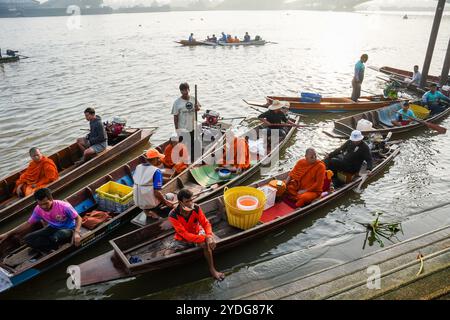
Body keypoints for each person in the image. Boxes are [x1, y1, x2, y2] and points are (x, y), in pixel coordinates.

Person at [0, 188, 82, 253]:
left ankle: (52, 245)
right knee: (27, 239)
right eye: (40, 204)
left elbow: (78, 218)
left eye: (46, 203)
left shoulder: (64, 206)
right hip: (53, 228)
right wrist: (8, 234)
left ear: (51, 199)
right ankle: (52, 248)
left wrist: (77, 233)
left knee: (57, 236)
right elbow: (28, 223)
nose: (43, 207)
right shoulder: (38, 209)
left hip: (69, 229)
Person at [168, 188, 224, 281]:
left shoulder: (196, 208)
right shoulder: (173, 215)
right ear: (180, 202)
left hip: (197, 232)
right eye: (187, 201)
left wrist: (209, 236)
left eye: (191, 200)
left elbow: (205, 223)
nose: (190, 203)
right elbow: (184, 234)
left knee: (206, 245)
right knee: (170, 252)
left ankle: (212, 269)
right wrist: (205, 237)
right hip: (182, 237)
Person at [133, 149, 175, 220]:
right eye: (158, 158)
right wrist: (165, 201)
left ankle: (146, 211)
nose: (159, 160)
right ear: (155, 159)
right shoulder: (156, 171)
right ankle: (157, 212)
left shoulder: (138, 167)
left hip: (138, 202)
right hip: (151, 204)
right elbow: (156, 192)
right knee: (171, 196)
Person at [172, 82, 201, 163]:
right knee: (183, 146)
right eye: (183, 91)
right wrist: (177, 129)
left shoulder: (193, 98)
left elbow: (198, 108)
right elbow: (175, 116)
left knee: (193, 144)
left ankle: (192, 161)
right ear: (181, 91)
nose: (185, 93)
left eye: (186, 91)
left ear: (189, 90)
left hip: (192, 126)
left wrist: (197, 108)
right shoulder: (177, 103)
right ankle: (183, 161)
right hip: (183, 128)